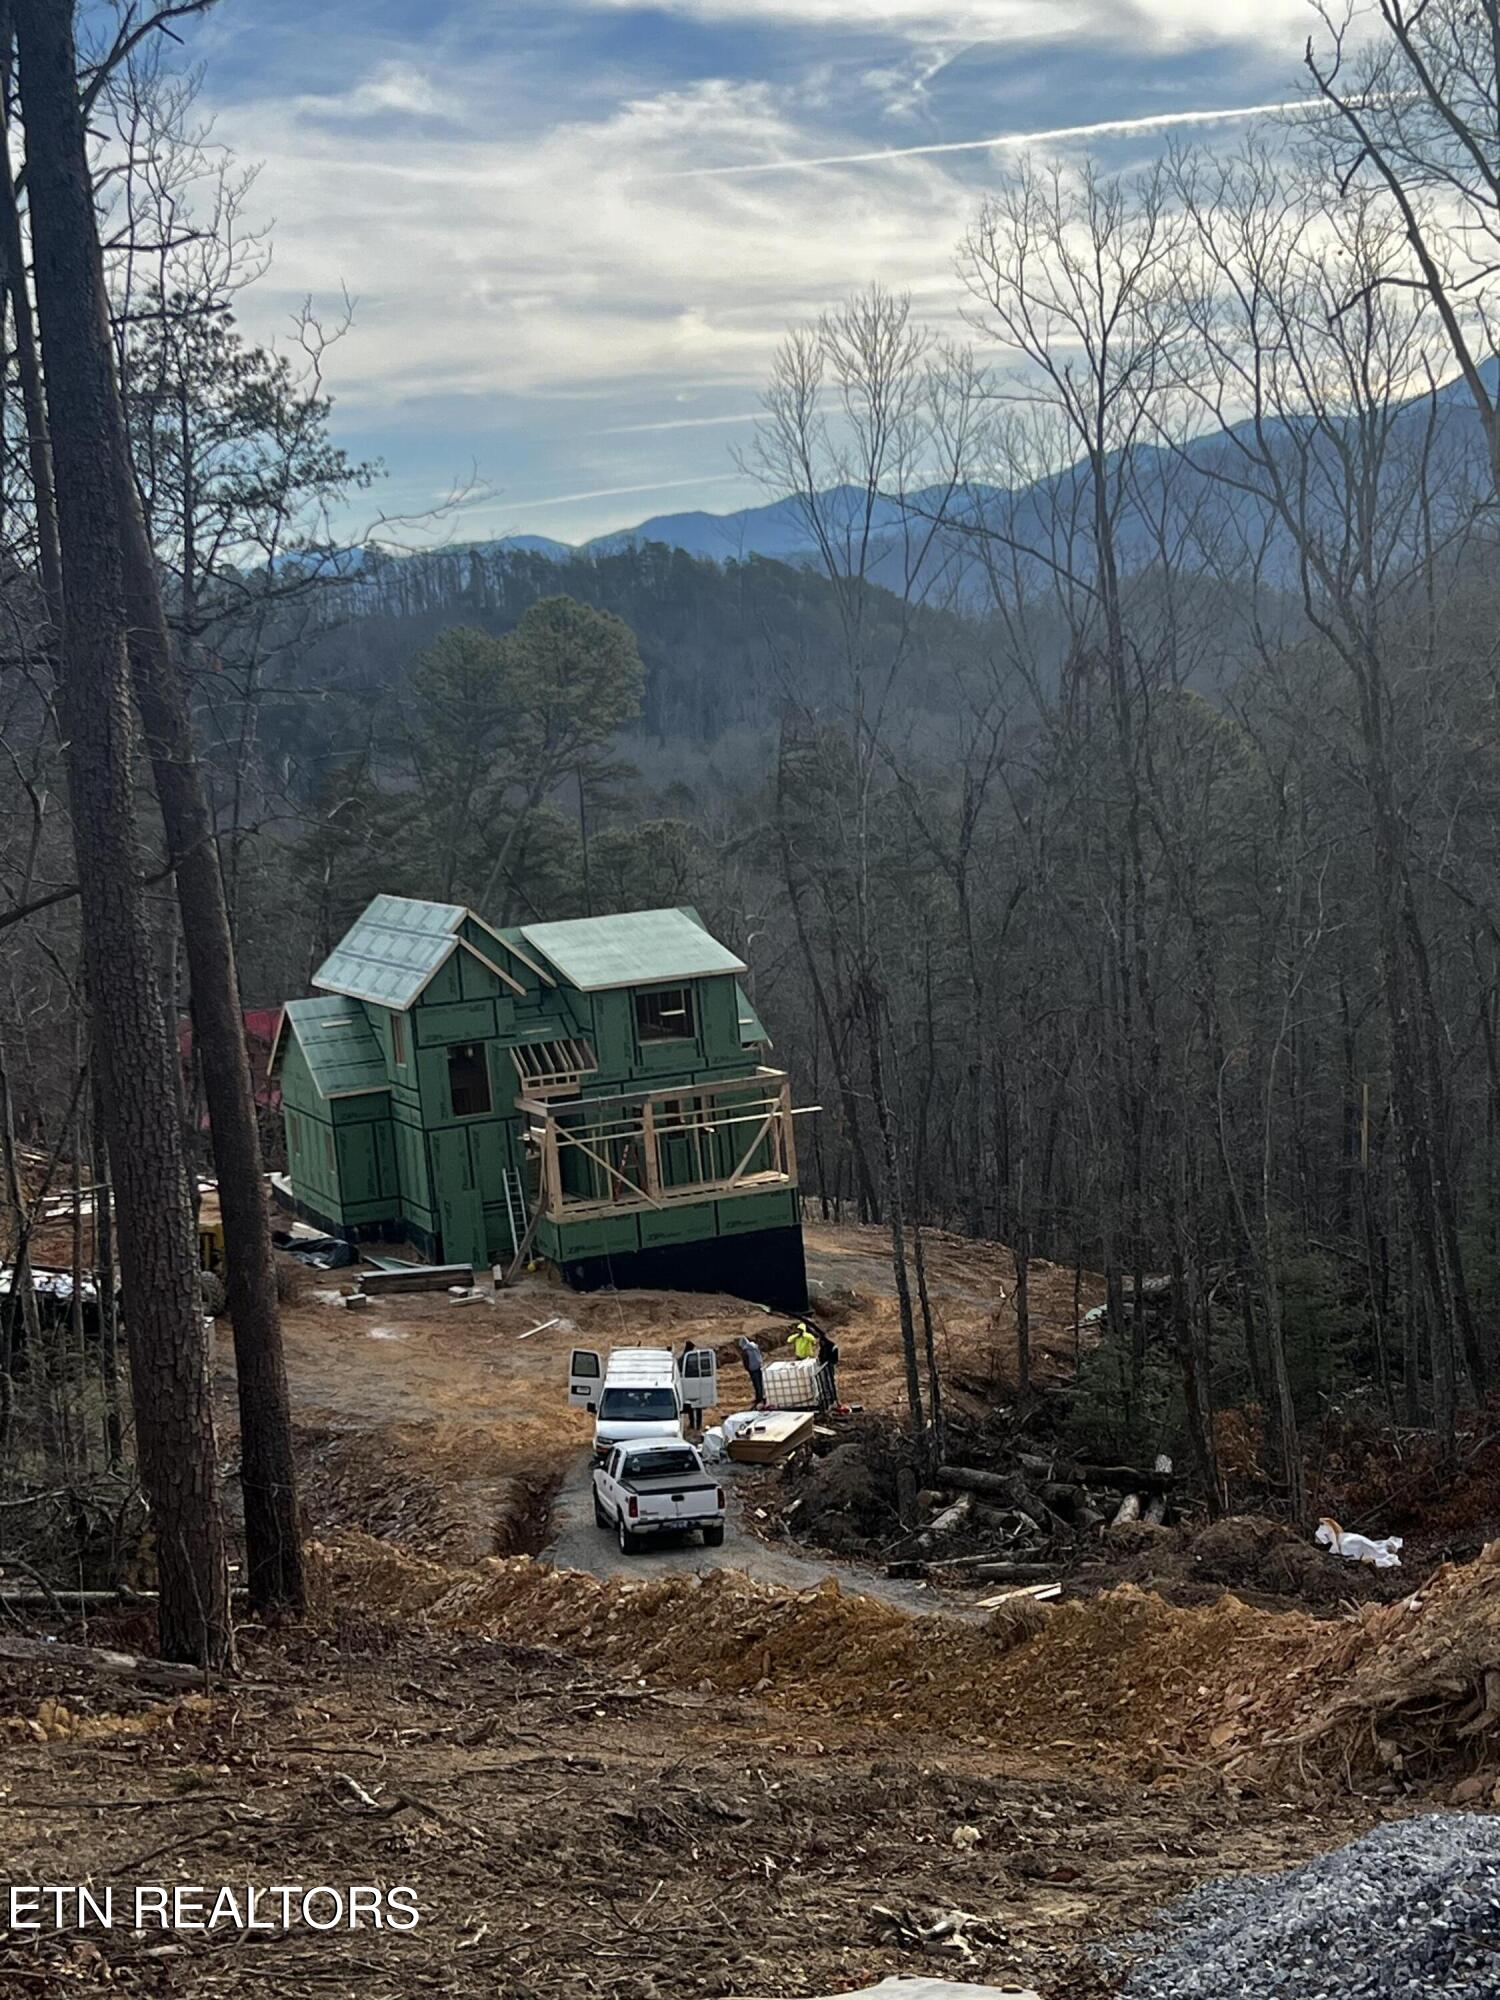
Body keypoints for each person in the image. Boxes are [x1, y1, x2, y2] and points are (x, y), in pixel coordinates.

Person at [735, 1334, 765, 1407]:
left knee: (756, 1384)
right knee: (760, 1383)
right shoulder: (754, 1346)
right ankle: (761, 1396)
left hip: (752, 1369)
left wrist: (747, 1368)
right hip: (758, 1366)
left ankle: (759, 1398)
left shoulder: (745, 1351)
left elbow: (746, 1361)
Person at [816, 1325, 841, 1408]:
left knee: (830, 1381)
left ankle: (833, 1398)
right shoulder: (823, 1346)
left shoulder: (832, 1347)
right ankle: (827, 1397)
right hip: (824, 1365)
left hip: (829, 1365)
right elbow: (821, 1354)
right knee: (824, 1382)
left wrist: (830, 1362)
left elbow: (834, 1358)